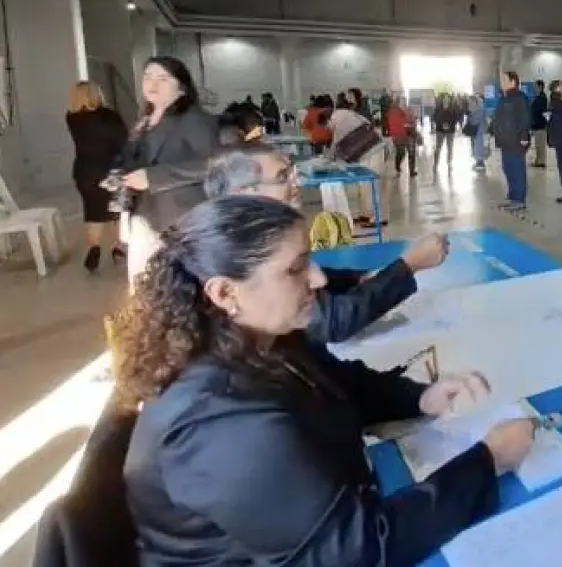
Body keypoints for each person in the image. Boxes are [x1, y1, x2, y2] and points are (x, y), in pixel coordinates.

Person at [115, 196, 535, 565]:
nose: (317, 279)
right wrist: (488, 462)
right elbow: (355, 549)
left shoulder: (258, 337)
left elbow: (336, 382)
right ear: (225, 293)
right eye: (295, 269)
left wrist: (422, 398)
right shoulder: (218, 424)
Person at [204, 142, 448, 343]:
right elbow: (333, 322)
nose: (296, 182)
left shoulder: (252, 232)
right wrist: (410, 264)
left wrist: (360, 279)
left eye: (293, 172)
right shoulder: (246, 252)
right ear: (244, 193)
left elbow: (317, 280)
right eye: (282, 177)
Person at [118, 57, 220, 285]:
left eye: (163, 78)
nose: (152, 83)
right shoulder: (144, 121)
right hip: (143, 215)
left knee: (179, 287)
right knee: (144, 284)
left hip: (179, 219)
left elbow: (213, 163)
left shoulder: (195, 120)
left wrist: (152, 177)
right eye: (147, 77)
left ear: (182, 88)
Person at [66, 81, 128, 272]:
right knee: (116, 211)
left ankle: (94, 247)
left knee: (93, 212)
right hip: (110, 170)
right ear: (97, 94)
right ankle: (117, 247)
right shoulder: (109, 117)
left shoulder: (72, 118)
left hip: (84, 172)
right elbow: (123, 141)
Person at [329, 97, 390, 225]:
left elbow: (336, 142)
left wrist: (329, 159)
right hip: (369, 151)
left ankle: (379, 218)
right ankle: (366, 214)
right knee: (364, 185)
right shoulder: (347, 113)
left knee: (372, 184)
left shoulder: (337, 117)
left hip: (373, 150)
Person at [493, 71, 531, 210]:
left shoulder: (520, 98)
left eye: (504, 79)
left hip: (516, 140)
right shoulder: (504, 98)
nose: (501, 82)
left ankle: (519, 200)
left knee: (517, 169)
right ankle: (512, 196)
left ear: (513, 81)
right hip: (505, 141)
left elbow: (525, 118)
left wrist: (524, 137)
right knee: (508, 168)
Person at [386, 95, 418, 177]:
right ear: (397, 102)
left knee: (412, 152)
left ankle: (412, 171)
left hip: (409, 134)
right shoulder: (393, 111)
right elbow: (393, 123)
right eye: (402, 101)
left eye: (405, 101)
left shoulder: (409, 110)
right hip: (398, 135)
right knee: (401, 152)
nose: (404, 103)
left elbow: (413, 121)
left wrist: (413, 120)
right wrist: (405, 124)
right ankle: (397, 166)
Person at [432, 93, 458, 172]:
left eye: (447, 98)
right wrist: (441, 124)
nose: (446, 100)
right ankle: (436, 163)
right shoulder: (438, 108)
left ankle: (449, 162)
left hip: (450, 131)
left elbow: (455, 119)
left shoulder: (453, 108)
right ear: (442, 99)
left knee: (450, 147)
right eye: (444, 98)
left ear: (449, 100)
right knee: (438, 147)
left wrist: (449, 125)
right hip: (440, 130)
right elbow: (434, 118)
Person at [465, 94, 490, 172]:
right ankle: (479, 162)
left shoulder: (479, 110)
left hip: (480, 132)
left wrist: (471, 114)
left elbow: (474, 121)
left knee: (480, 147)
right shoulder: (478, 109)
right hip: (478, 132)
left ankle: (480, 163)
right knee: (478, 147)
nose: (470, 104)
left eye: (472, 102)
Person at [529, 79, 550, 169]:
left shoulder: (542, 98)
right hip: (536, 125)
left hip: (540, 125)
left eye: (535, 86)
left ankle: (541, 162)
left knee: (540, 145)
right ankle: (538, 160)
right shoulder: (537, 97)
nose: (534, 88)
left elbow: (543, 112)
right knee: (538, 145)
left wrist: (544, 123)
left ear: (540, 87)